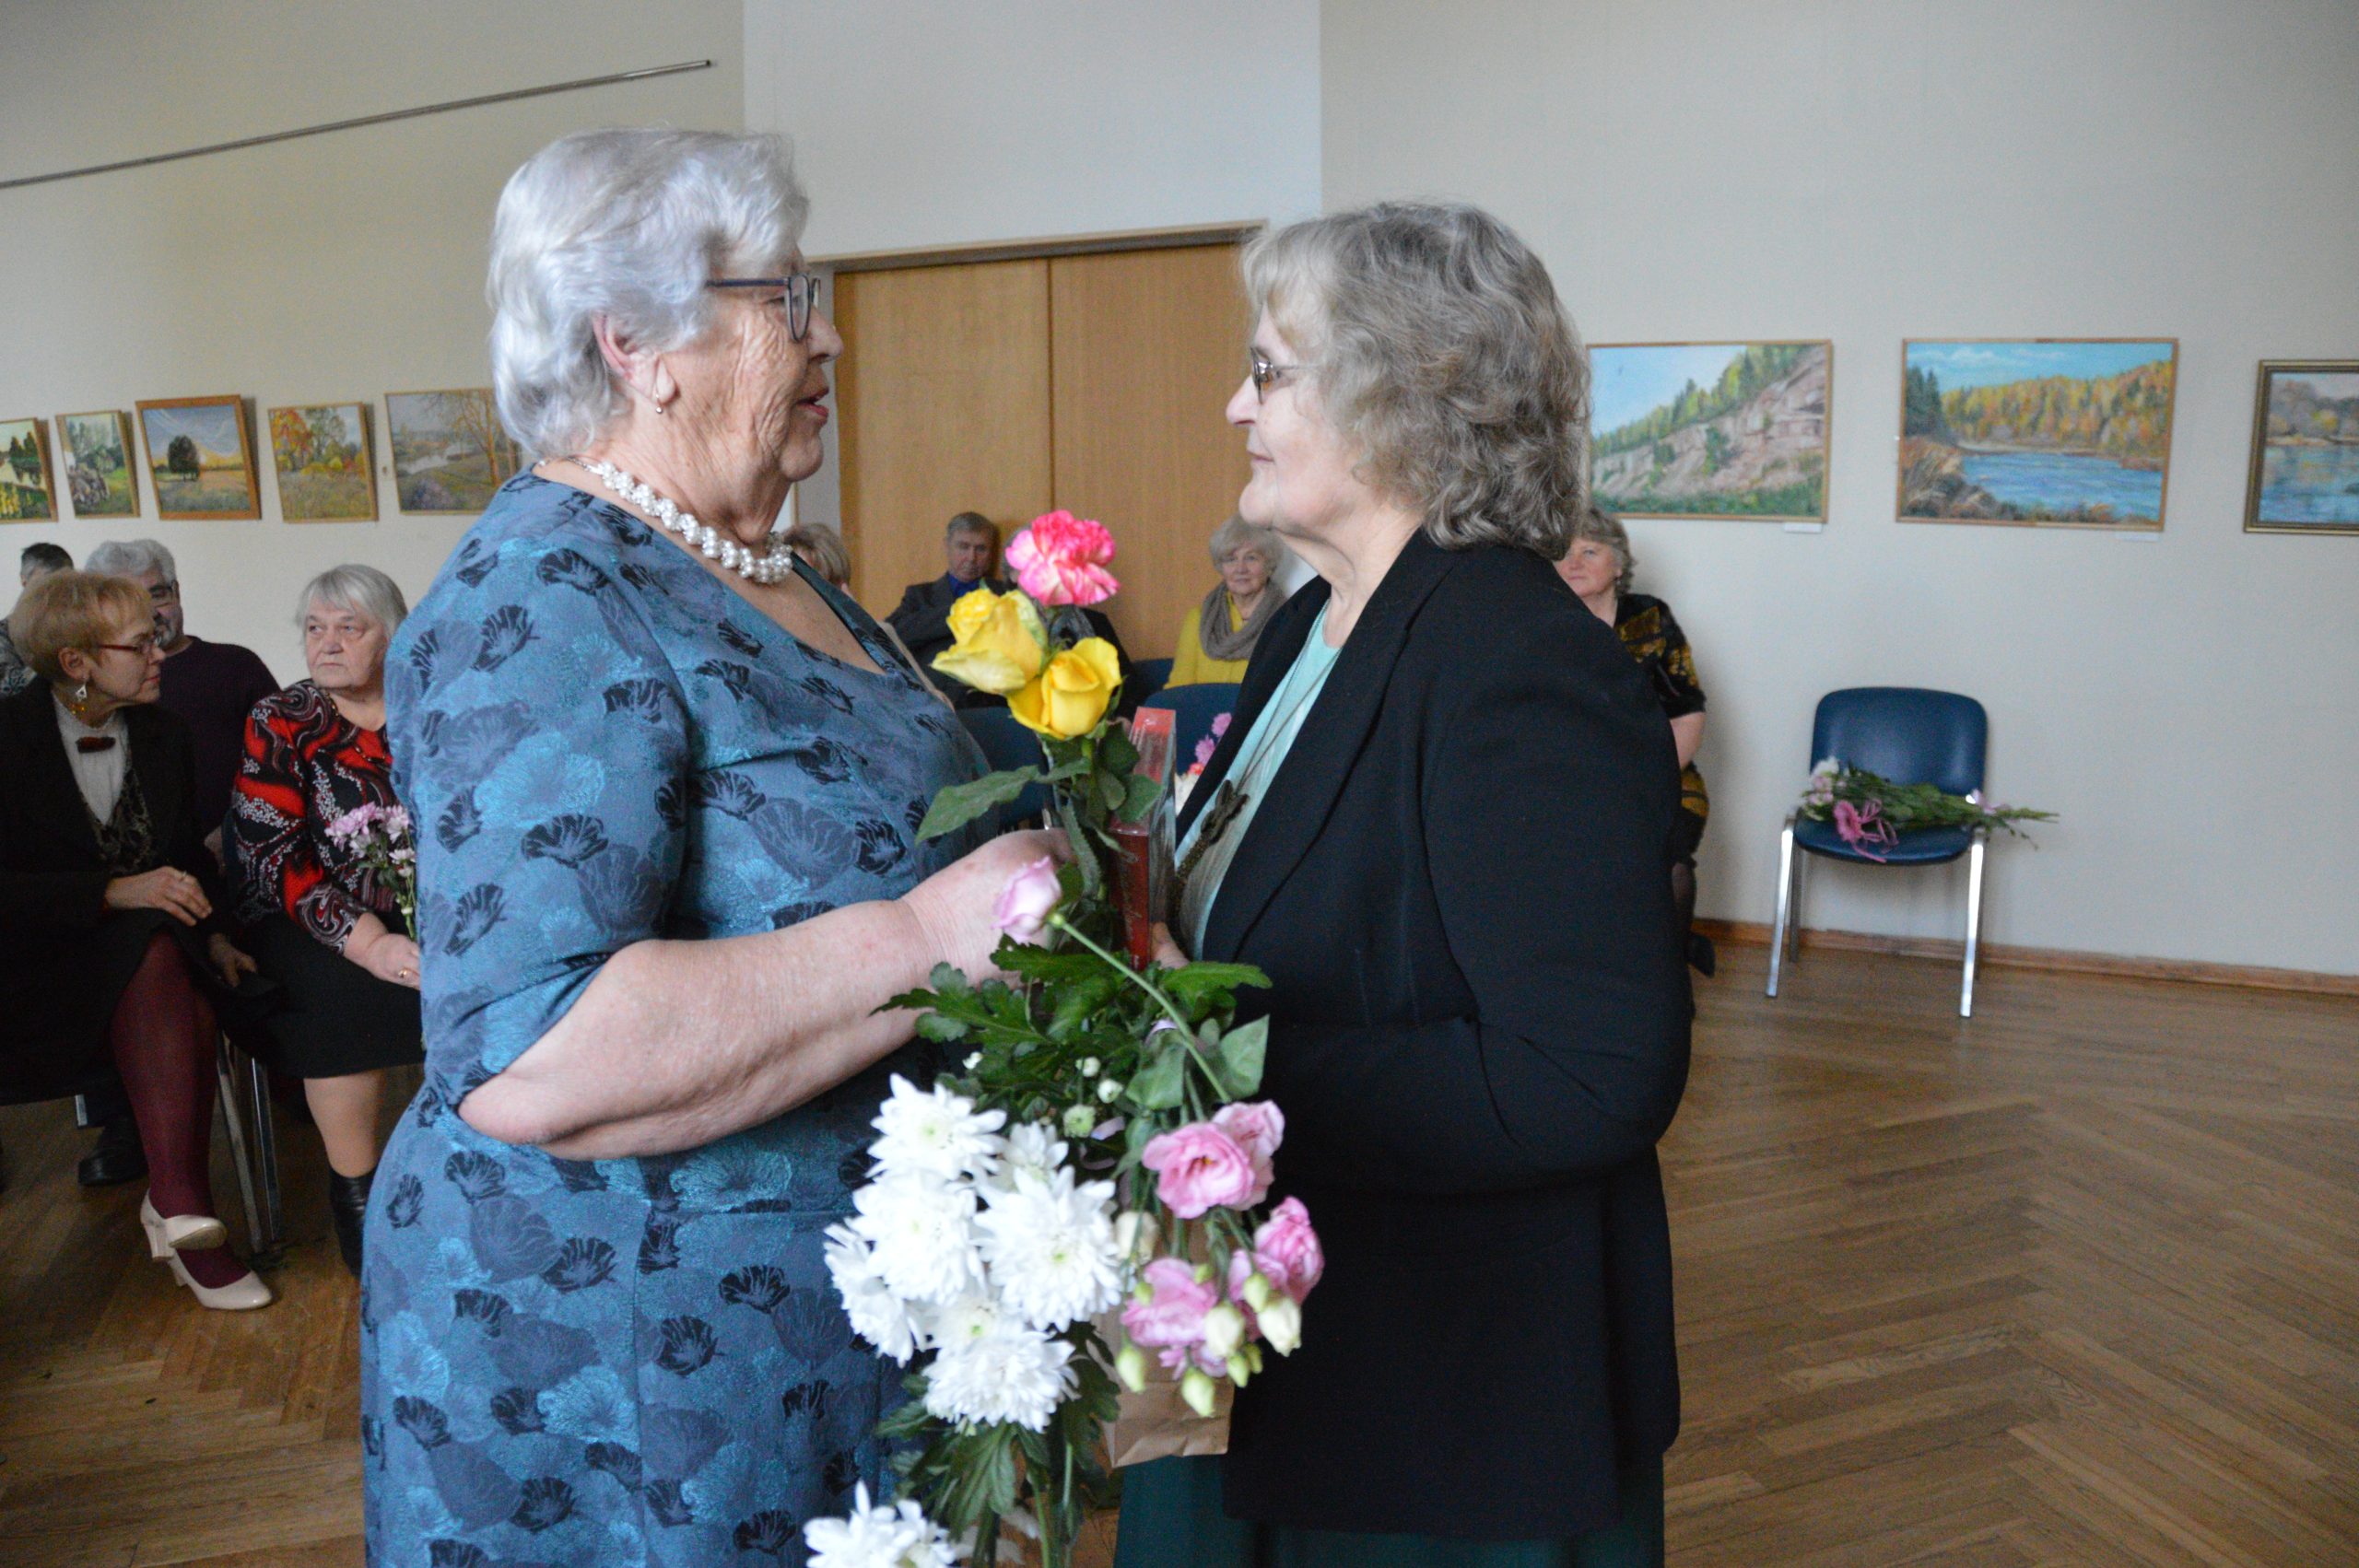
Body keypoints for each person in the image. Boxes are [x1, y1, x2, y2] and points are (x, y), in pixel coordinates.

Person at [362, 128, 1061, 1564]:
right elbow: (532, 1050)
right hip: (635, 1365)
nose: (829, 334)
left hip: (810, 1318)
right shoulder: (541, 595)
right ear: (635, 344)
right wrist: (929, 940)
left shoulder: (761, 561)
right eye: (785, 298)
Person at [1122, 204, 1689, 1566]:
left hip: (1445, 1406)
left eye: (1268, 370)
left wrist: (1223, 1073)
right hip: (1295, 1347)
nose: (1235, 405)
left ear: (1400, 394)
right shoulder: (1309, 626)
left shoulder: (1513, 660)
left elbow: (1586, 1075)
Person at [0, 571, 272, 1310]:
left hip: (155, 956)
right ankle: (182, 1209)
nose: (160, 655)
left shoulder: (164, 734)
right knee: (173, 977)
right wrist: (109, 892)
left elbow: (182, 859)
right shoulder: (7, 738)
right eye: (140, 644)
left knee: (165, 956)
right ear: (76, 662)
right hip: (36, 970)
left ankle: (179, 1204)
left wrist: (217, 935)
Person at [227, 566, 425, 1277]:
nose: (327, 643)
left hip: (431, 909)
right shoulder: (281, 719)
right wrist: (369, 943)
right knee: (339, 999)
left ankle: (486, 1179)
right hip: (310, 916)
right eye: (315, 628)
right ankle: (359, 1201)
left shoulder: (434, 703)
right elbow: (271, 854)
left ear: (393, 636)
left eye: (349, 627)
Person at [1557, 508, 1715, 975]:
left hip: (1658, 775)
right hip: (1567, 778)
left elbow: (1687, 713)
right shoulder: (1542, 622)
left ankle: (1669, 977)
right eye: (1563, 553)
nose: (1574, 563)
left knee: (1670, 863)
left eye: (1590, 551)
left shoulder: (1648, 618)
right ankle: (1589, 973)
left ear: (1618, 564)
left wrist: (1646, 779)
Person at [84, 540, 279, 863]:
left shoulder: (237, 667)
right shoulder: (94, 686)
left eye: (157, 594)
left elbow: (283, 765)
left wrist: (232, 832)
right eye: (131, 602)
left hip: (241, 855)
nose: (150, 612)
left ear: (176, 592)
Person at [1168, 514, 1292, 686]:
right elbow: (1178, 688)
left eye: (1251, 558)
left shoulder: (1288, 621)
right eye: (1231, 559)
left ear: (1269, 564)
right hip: (1203, 705)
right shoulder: (1198, 619)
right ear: (1221, 566)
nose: (1240, 569)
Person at [0, 541, 73, 697]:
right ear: (24, 581)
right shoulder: (4, 633)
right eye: (46, 584)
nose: (57, 594)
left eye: (65, 584)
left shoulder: (83, 626)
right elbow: (6, 689)